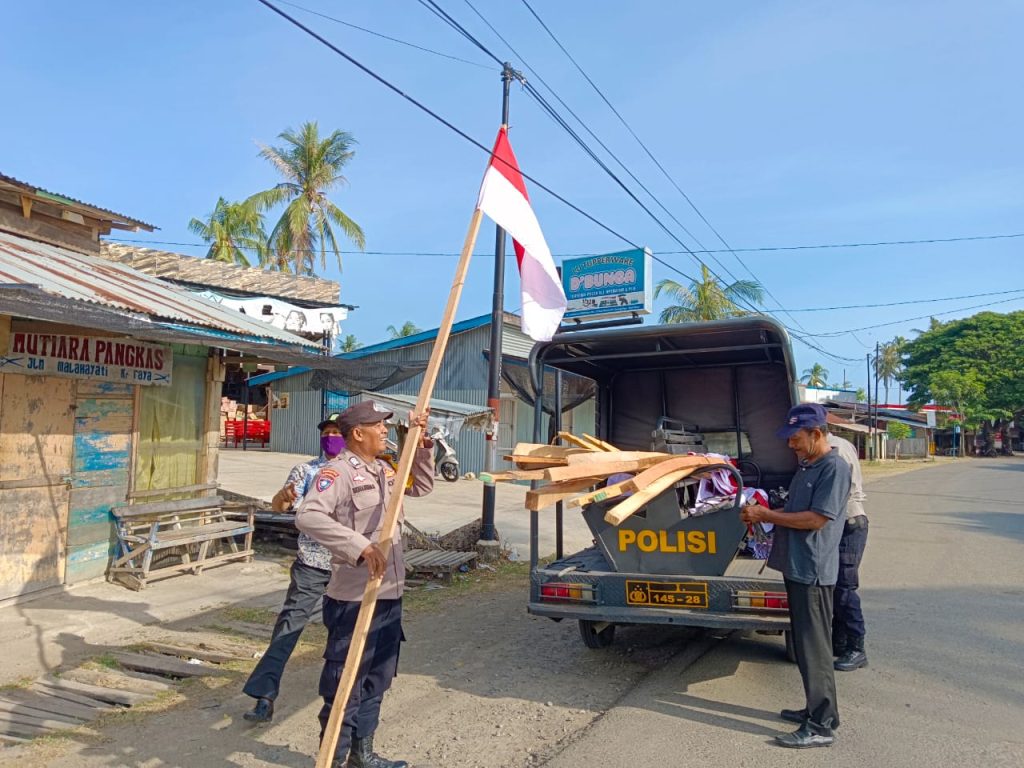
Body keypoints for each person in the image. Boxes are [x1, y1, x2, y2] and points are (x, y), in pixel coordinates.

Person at [297, 399, 434, 768]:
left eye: (387, 426)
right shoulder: (337, 473)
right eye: (379, 426)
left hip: (389, 593)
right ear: (358, 433)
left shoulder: (387, 469)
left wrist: (419, 447)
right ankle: (333, 757)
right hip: (353, 597)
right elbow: (308, 516)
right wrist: (359, 546)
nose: (385, 431)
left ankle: (363, 754)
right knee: (345, 683)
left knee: (378, 676)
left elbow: (420, 486)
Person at [741, 403, 850, 749]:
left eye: (796, 438)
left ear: (817, 434)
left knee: (815, 649)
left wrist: (767, 513)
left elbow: (816, 519)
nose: (791, 444)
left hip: (813, 571)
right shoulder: (809, 466)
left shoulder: (834, 468)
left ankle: (820, 725)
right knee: (805, 647)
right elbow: (793, 511)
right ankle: (819, 711)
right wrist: (764, 515)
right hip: (797, 567)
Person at [242, 413, 348, 723]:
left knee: (344, 632)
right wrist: (284, 498)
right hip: (311, 564)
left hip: (347, 565)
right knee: (289, 625)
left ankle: (342, 697)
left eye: (337, 432)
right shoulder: (306, 470)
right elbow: (279, 505)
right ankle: (265, 695)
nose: (332, 438)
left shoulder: (357, 473)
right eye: (327, 432)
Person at [827, 433, 869, 671]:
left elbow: (834, 495)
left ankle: (857, 648)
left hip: (848, 523)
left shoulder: (835, 452)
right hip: (841, 523)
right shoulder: (838, 445)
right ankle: (840, 642)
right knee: (834, 586)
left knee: (844, 588)